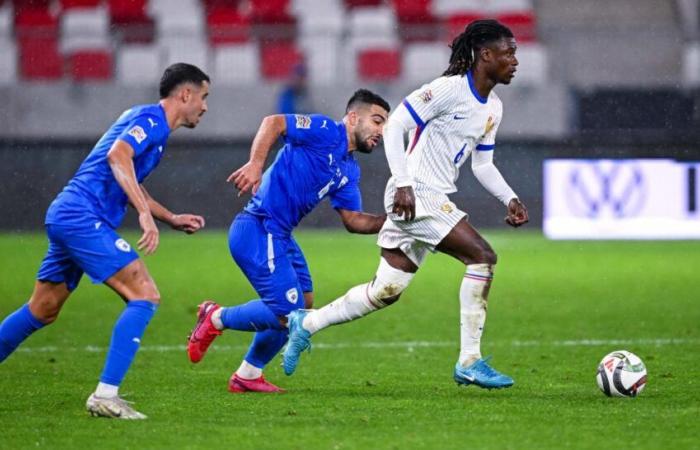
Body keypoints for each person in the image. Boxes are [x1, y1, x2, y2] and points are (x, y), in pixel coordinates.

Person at [283, 19, 529, 389]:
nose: (515, 59)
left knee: (385, 291)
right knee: (482, 256)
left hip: (427, 197)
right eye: (509, 52)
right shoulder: (447, 89)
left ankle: (307, 322)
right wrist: (403, 183)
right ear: (486, 54)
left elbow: (483, 163)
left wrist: (509, 196)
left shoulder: (493, 107)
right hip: (416, 194)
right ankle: (470, 360)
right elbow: (396, 124)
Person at [0, 63, 210, 419]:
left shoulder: (146, 125)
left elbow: (127, 175)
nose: (205, 106)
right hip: (82, 216)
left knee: (43, 309)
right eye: (203, 97)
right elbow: (118, 156)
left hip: (69, 214)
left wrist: (168, 217)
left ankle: (105, 394)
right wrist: (143, 213)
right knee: (145, 294)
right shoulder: (152, 120)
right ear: (185, 94)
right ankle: (105, 395)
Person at [186, 89, 390, 393]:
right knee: (289, 314)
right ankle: (215, 317)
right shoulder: (324, 130)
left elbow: (354, 220)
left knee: (304, 306)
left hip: (279, 234)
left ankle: (248, 375)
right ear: (352, 118)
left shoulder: (349, 169)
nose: (382, 132)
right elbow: (273, 122)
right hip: (258, 227)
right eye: (377, 121)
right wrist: (255, 164)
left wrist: (394, 222)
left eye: (385, 125)